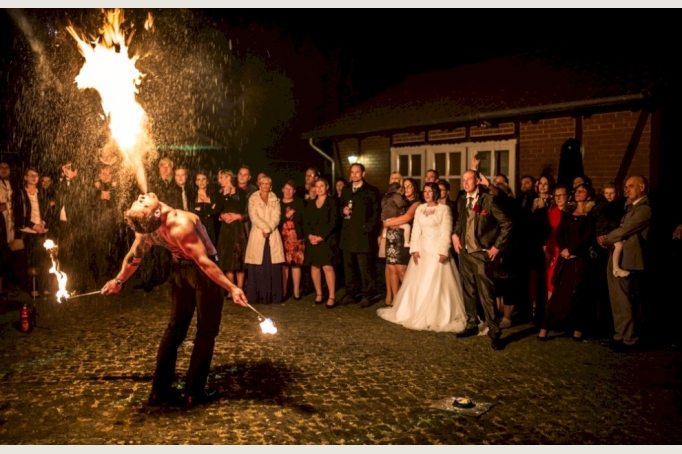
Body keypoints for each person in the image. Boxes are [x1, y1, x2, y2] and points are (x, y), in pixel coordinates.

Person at [100, 192, 247, 407]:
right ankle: (193, 393)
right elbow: (204, 263)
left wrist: (119, 281)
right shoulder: (180, 223)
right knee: (206, 332)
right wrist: (232, 287)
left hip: (180, 274)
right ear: (156, 212)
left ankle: (159, 391)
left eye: (139, 200)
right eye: (141, 202)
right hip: (202, 275)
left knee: (175, 329)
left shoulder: (147, 228)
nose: (141, 196)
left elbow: (134, 257)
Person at [377, 182, 466, 332]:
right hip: (423, 249)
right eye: (425, 191)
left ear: (436, 193)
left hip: (436, 249)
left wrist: (443, 250)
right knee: (419, 282)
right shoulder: (420, 208)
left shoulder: (444, 209)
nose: (427, 194)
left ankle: (435, 314)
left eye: (430, 191)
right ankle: (414, 310)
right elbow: (416, 230)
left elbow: (446, 231)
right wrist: (415, 249)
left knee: (436, 281)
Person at [452, 170, 512, 350]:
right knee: (468, 290)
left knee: (486, 293)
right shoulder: (462, 200)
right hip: (464, 252)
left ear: (477, 181)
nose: (465, 183)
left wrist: (496, 247)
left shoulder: (488, 200)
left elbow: (507, 223)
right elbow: (459, 222)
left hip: (481, 253)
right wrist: (455, 235)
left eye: (468, 179)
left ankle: (494, 332)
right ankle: (471, 324)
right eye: (463, 180)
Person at [598, 175, 652, 352]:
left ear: (642, 187)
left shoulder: (644, 210)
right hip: (619, 255)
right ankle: (620, 334)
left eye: (630, 186)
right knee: (617, 298)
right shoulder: (630, 207)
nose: (626, 189)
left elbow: (625, 230)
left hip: (629, 259)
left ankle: (629, 338)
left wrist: (606, 238)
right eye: (626, 186)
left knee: (625, 299)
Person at [537, 183, 596, 342]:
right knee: (559, 292)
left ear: (589, 195)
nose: (578, 193)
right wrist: (564, 249)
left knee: (579, 293)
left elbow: (588, 236)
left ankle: (578, 328)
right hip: (566, 259)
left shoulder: (591, 215)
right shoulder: (568, 214)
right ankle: (545, 326)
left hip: (581, 259)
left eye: (582, 191)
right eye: (577, 190)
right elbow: (559, 234)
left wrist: (573, 250)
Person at [338, 163, 382, 308]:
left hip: (363, 236)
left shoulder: (371, 191)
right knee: (349, 267)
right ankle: (350, 293)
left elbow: (376, 213)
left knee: (365, 269)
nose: (354, 175)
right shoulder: (346, 189)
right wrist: (342, 211)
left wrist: (368, 228)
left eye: (357, 172)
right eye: (352, 172)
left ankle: (367, 294)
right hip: (348, 235)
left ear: (363, 173)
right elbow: (340, 206)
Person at [244, 175, 285, 304]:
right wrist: (265, 228)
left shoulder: (275, 198)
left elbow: (277, 216)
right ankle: (258, 296)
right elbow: (253, 216)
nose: (265, 186)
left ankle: (273, 296)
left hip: (272, 235)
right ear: (259, 185)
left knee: (272, 265)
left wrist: (269, 229)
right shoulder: (253, 198)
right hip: (258, 234)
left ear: (270, 185)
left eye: (268, 183)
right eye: (263, 183)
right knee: (259, 267)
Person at [381, 178, 420, 306]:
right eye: (404, 186)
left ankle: (409, 302)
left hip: (405, 238)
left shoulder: (417, 203)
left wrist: (388, 223)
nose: (406, 189)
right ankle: (396, 301)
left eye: (409, 186)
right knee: (392, 268)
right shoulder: (396, 199)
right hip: (392, 237)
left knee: (402, 270)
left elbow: (407, 217)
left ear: (415, 188)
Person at [12, 167, 50, 295]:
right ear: (25, 178)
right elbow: (18, 215)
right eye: (31, 175)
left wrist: (43, 223)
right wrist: (33, 226)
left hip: (42, 230)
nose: (34, 177)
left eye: (36, 175)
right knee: (30, 260)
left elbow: (46, 211)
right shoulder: (20, 193)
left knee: (43, 260)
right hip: (28, 231)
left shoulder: (42, 193)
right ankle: (32, 288)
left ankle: (43, 286)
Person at [304, 178, 340, 308]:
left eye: (321, 186)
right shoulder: (310, 203)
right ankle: (319, 293)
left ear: (327, 187)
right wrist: (310, 236)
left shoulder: (332, 202)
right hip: (313, 239)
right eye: (317, 186)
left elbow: (333, 222)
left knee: (327, 267)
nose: (319, 189)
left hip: (327, 239)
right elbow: (306, 221)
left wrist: (321, 237)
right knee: (314, 266)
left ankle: (331, 296)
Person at [215, 170, 248, 297]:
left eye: (222, 177)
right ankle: (231, 288)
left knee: (238, 259)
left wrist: (235, 216)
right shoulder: (220, 194)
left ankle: (240, 287)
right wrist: (222, 216)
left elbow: (242, 207)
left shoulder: (241, 192)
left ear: (228, 177)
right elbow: (217, 210)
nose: (220, 180)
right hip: (225, 228)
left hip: (237, 228)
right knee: (228, 260)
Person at [279, 180, 305, 301]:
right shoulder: (277, 204)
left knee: (296, 264)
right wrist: (285, 217)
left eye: (291, 189)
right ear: (282, 190)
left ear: (294, 191)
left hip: (296, 238)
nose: (288, 192)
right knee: (284, 265)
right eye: (286, 189)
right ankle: (284, 291)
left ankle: (296, 292)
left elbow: (303, 220)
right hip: (282, 238)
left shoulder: (299, 203)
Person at [192, 171, 218, 246]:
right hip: (197, 227)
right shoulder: (192, 196)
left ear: (207, 181)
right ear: (196, 182)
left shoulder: (214, 196)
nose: (201, 182)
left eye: (204, 179)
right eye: (198, 179)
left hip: (211, 228)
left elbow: (215, 213)